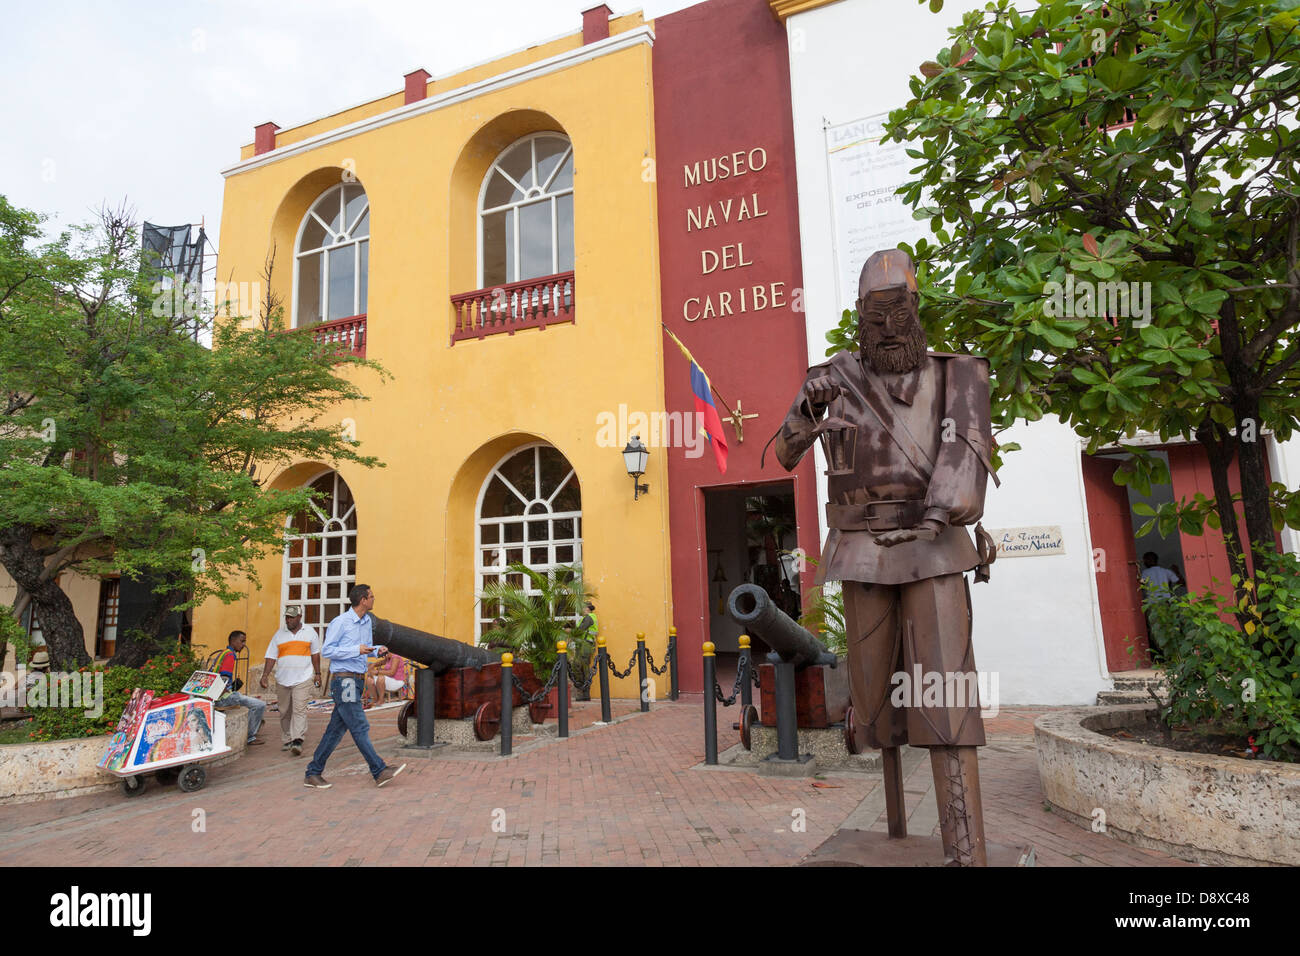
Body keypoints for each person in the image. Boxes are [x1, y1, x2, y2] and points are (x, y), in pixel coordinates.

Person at [772, 248, 999, 866]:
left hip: (935, 546)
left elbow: (964, 449)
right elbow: (783, 453)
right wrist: (809, 408)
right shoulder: (834, 379)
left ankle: (964, 848)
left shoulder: (961, 374)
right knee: (873, 702)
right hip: (861, 552)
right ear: (860, 317)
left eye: (898, 313)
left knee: (946, 692)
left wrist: (942, 511)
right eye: (876, 318)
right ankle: (896, 824)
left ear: (916, 308)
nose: (889, 329)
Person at [304, 584, 406, 789]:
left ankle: (313, 772)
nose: (374, 599)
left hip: (358, 679)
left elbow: (365, 649)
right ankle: (379, 770)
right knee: (360, 725)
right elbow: (328, 650)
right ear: (363, 600)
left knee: (335, 730)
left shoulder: (367, 622)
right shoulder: (340, 622)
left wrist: (376, 650)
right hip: (345, 680)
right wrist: (355, 649)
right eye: (371, 596)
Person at [259, 605, 322, 756]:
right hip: (283, 679)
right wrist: (265, 675)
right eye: (287, 617)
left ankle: (297, 740)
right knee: (284, 711)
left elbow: (315, 655)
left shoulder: (310, 632)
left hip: (303, 678)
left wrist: (318, 674)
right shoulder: (279, 635)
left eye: (292, 617)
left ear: (300, 617)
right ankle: (287, 739)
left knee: (299, 709)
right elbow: (271, 657)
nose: (288, 620)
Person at [216, 631, 267, 745]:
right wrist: (227, 693)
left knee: (251, 702)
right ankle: (250, 737)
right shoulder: (230, 656)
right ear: (233, 641)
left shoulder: (223, 653)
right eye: (242, 641)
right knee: (260, 705)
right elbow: (224, 678)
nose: (244, 644)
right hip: (222, 698)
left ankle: (255, 726)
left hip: (217, 696)